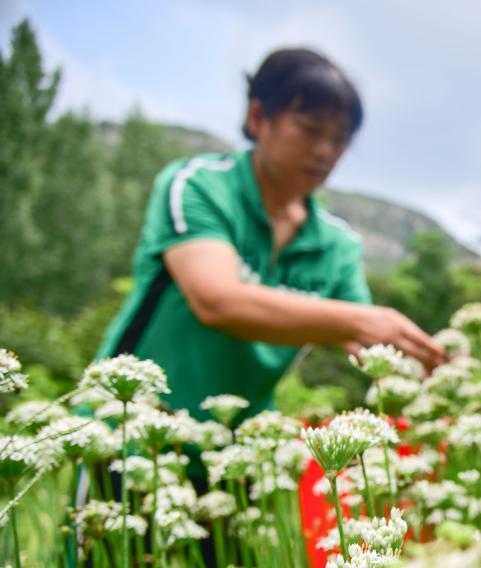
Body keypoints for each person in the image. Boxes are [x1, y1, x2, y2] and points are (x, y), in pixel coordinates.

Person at [95, 47, 447, 424]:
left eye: (340, 139)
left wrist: (432, 368)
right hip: (127, 430)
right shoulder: (199, 186)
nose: (325, 151)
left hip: (243, 449)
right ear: (258, 116)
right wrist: (361, 322)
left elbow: (363, 339)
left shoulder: (337, 246)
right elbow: (216, 301)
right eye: (310, 130)